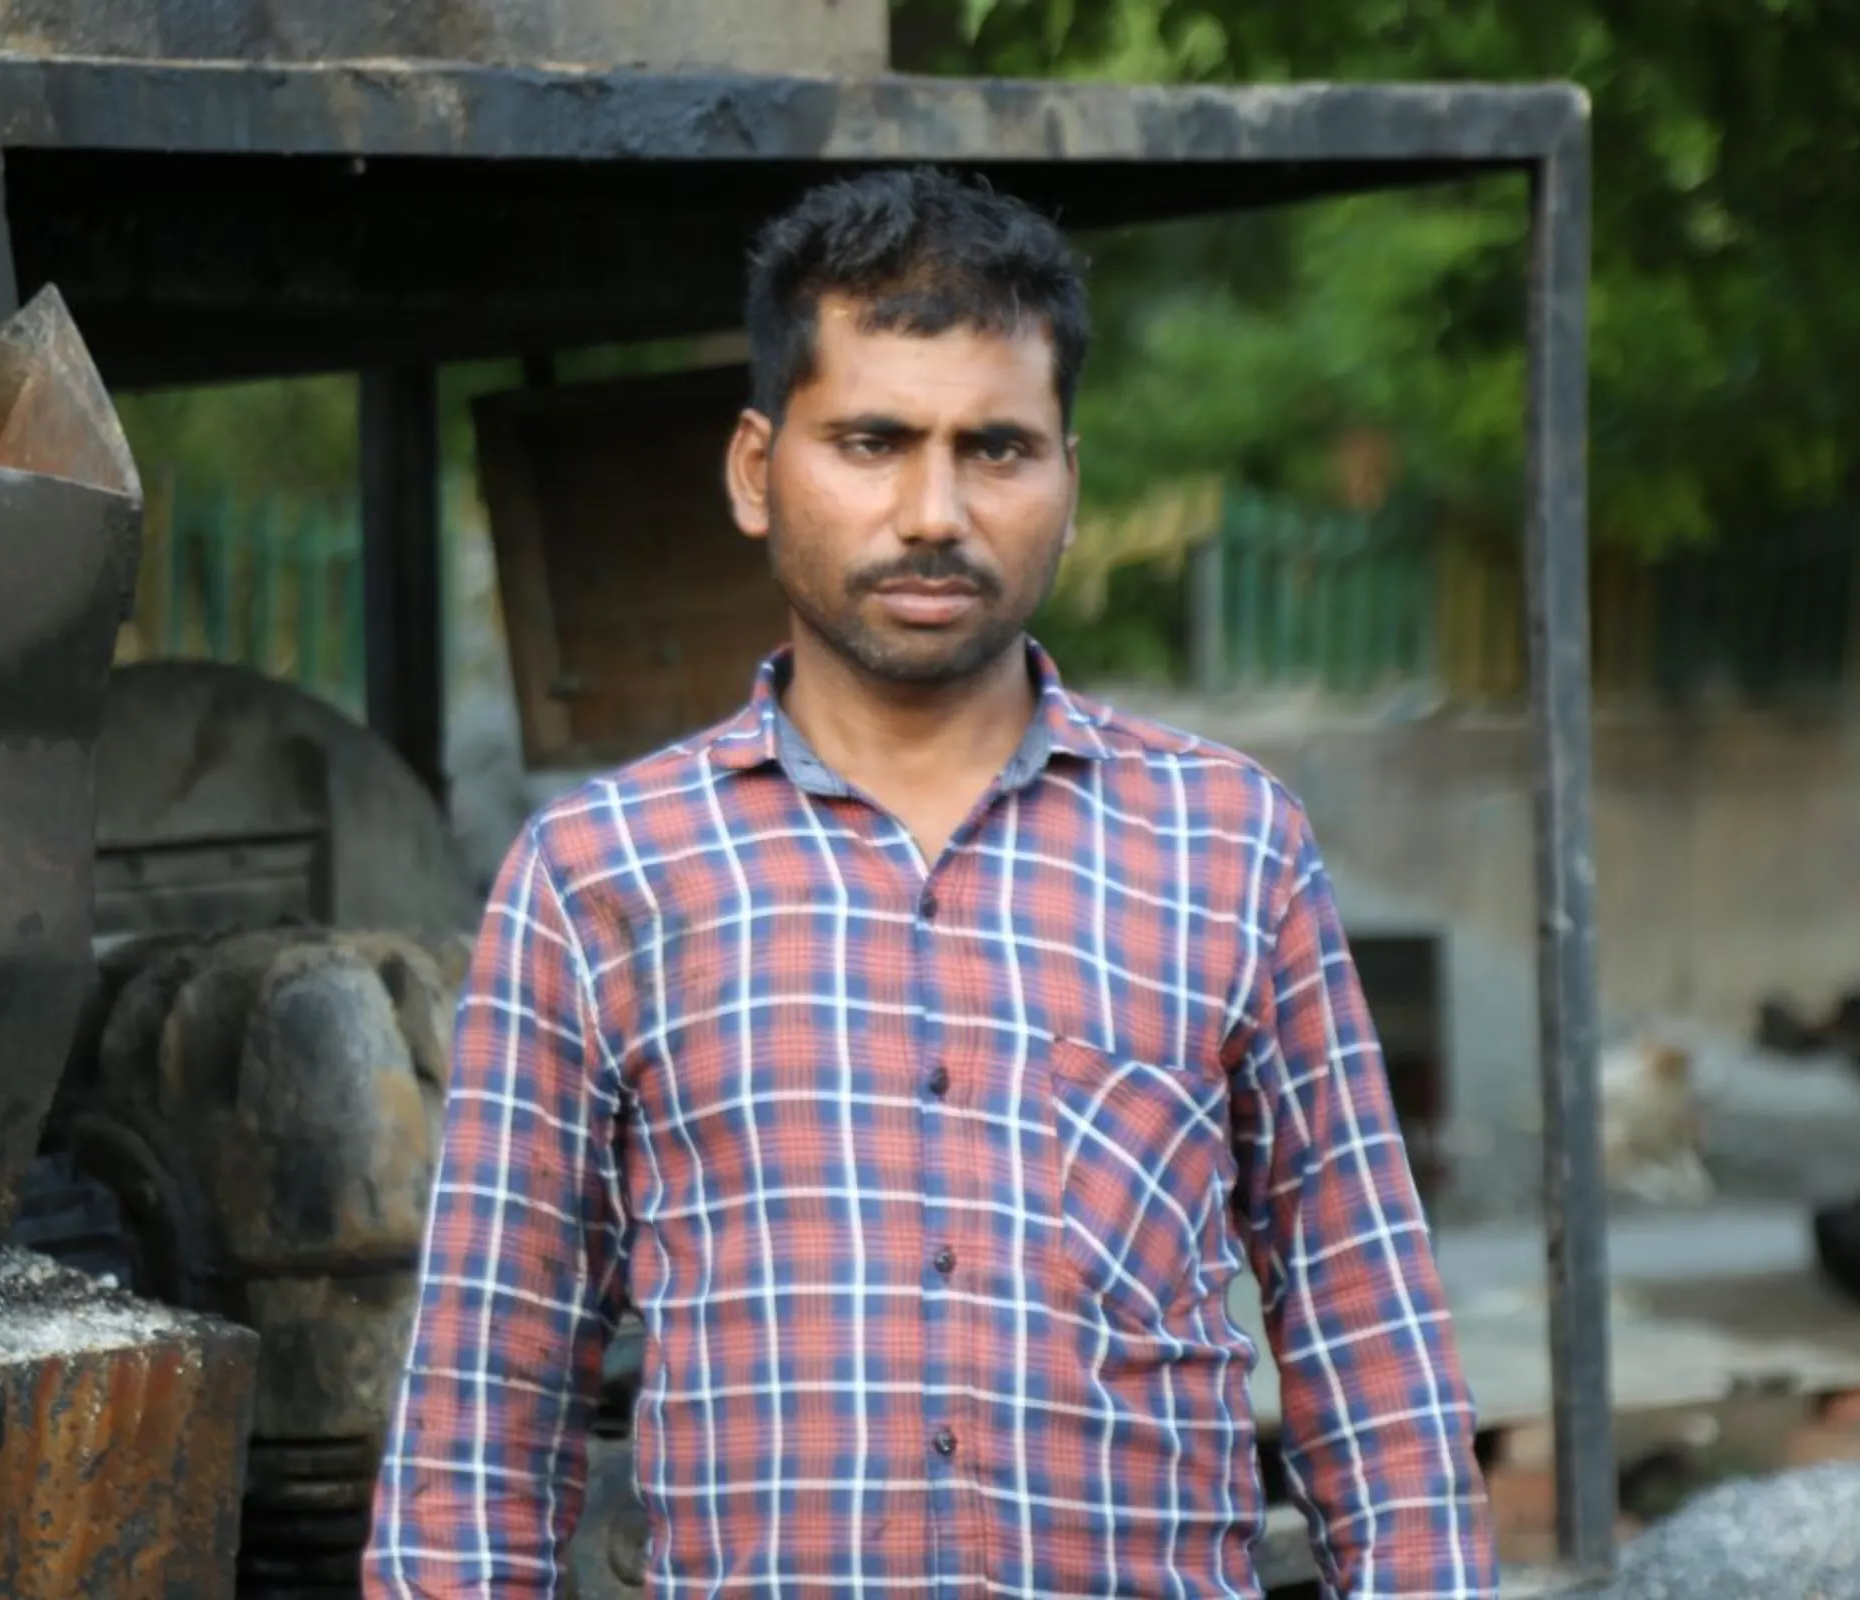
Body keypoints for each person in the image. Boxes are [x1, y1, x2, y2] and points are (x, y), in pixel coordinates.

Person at [365, 167, 1498, 1599]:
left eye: (998, 449)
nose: (933, 510)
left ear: (1070, 484)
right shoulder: (601, 879)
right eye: (873, 440)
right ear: (755, 471)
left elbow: (1365, 1329)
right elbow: (488, 1393)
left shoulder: (1228, 846)